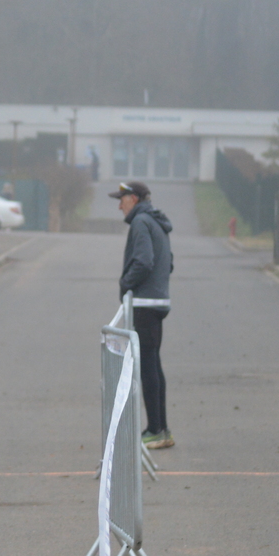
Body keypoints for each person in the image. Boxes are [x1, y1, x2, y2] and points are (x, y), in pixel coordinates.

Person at [111, 181, 174, 448]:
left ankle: (156, 430)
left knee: (148, 367)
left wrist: (125, 283)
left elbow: (144, 261)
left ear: (134, 199)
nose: (119, 205)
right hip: (157, 301)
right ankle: (162, 429)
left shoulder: (140, 222)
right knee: (154, 365)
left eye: (122, 199)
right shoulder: (156, 221)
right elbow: (169, 262)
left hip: (144, 303)